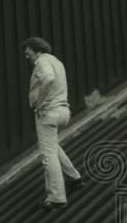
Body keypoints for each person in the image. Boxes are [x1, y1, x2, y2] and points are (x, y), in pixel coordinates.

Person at [22, 37, 85, 210]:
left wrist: (40, 102)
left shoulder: (42, 62)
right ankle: (75, 178)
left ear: (38, 50)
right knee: (52, 146)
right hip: (63, 111)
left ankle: (57, 198)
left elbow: (48, 78)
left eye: (28, 53)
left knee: (48, 155)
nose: (27, 57)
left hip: (47, 113)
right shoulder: (56, 61)